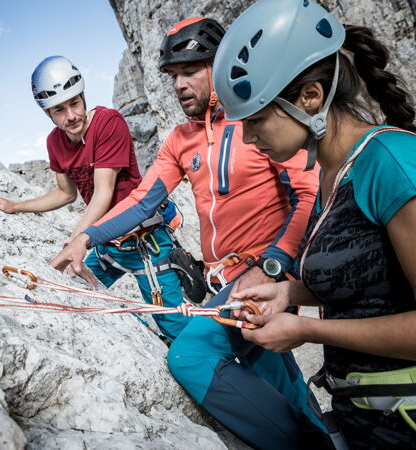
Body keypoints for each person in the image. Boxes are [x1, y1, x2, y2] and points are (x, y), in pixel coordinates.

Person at [51, 18, 328, 448]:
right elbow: (143, 201)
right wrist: (85, 239)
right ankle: (327, 434)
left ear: (220, 67)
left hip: (267, 276)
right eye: (172, 75)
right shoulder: (180, 140)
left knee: (191, 355)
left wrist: (272, 268)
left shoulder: (261, 122)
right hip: (227, 281)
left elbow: (308, 196)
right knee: (274, 375)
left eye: (190, 70)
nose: (179, 84)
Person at [210, 0, 416, 448]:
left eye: (256, 120)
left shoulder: (391, 164)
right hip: (372, 421)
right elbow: (373, 277)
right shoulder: (333, 172)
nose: (248, 138)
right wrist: (289, 292)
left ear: (310, 96)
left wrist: (308, 329)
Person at [0, 56, 191, 342]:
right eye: (59, 109)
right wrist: (15, 207)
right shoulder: (54, 142)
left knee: (176, 330)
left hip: (146, 240)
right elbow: (65, 193)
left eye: (75, 103)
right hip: (109, 244)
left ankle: (169, 343)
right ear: (48, 114)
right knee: (71, 290)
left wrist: (72, 246)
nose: (71, 115)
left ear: (83, 97)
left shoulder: (108, 122)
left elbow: (103, 194)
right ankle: (144, 337)